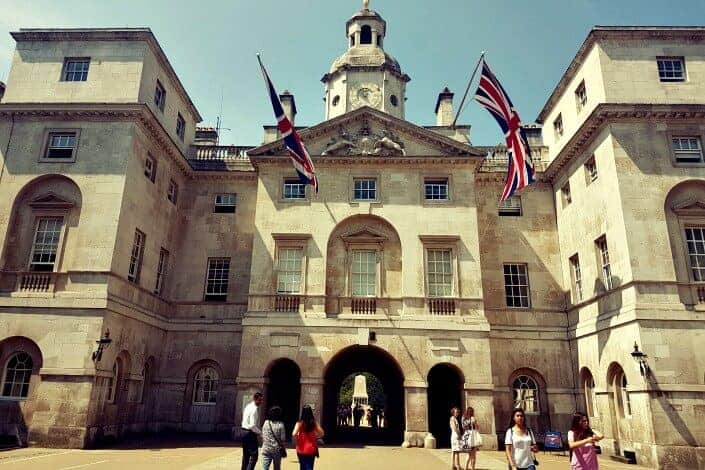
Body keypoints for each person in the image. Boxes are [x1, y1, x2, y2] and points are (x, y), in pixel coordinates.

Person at [293, 405, 324, 470]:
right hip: (311, 449)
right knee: (309, 466)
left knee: (302, 467)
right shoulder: (314, 423)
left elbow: (294, 434)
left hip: (300, 448)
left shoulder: (299, 423)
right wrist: (316, 437)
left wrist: (298, 439)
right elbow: (322, 433)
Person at [241, 392, 264, 470]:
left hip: (243, 432)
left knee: (246, 455)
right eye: (259, 400)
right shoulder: (254, 410)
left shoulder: (248, 406)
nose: (261, 402)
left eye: (261, 400)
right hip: (250, 433)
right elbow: (252, 425)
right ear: (255, 399)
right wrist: (260, 433)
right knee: (254, 456)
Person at [261, 406, 287, 470]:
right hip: (276, 449)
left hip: (266, 448)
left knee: (265, 467)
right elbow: (283, 439)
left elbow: (263, 434)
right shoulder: (281, 424)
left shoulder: (266, 422)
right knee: (277, 467)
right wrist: (283, 447)